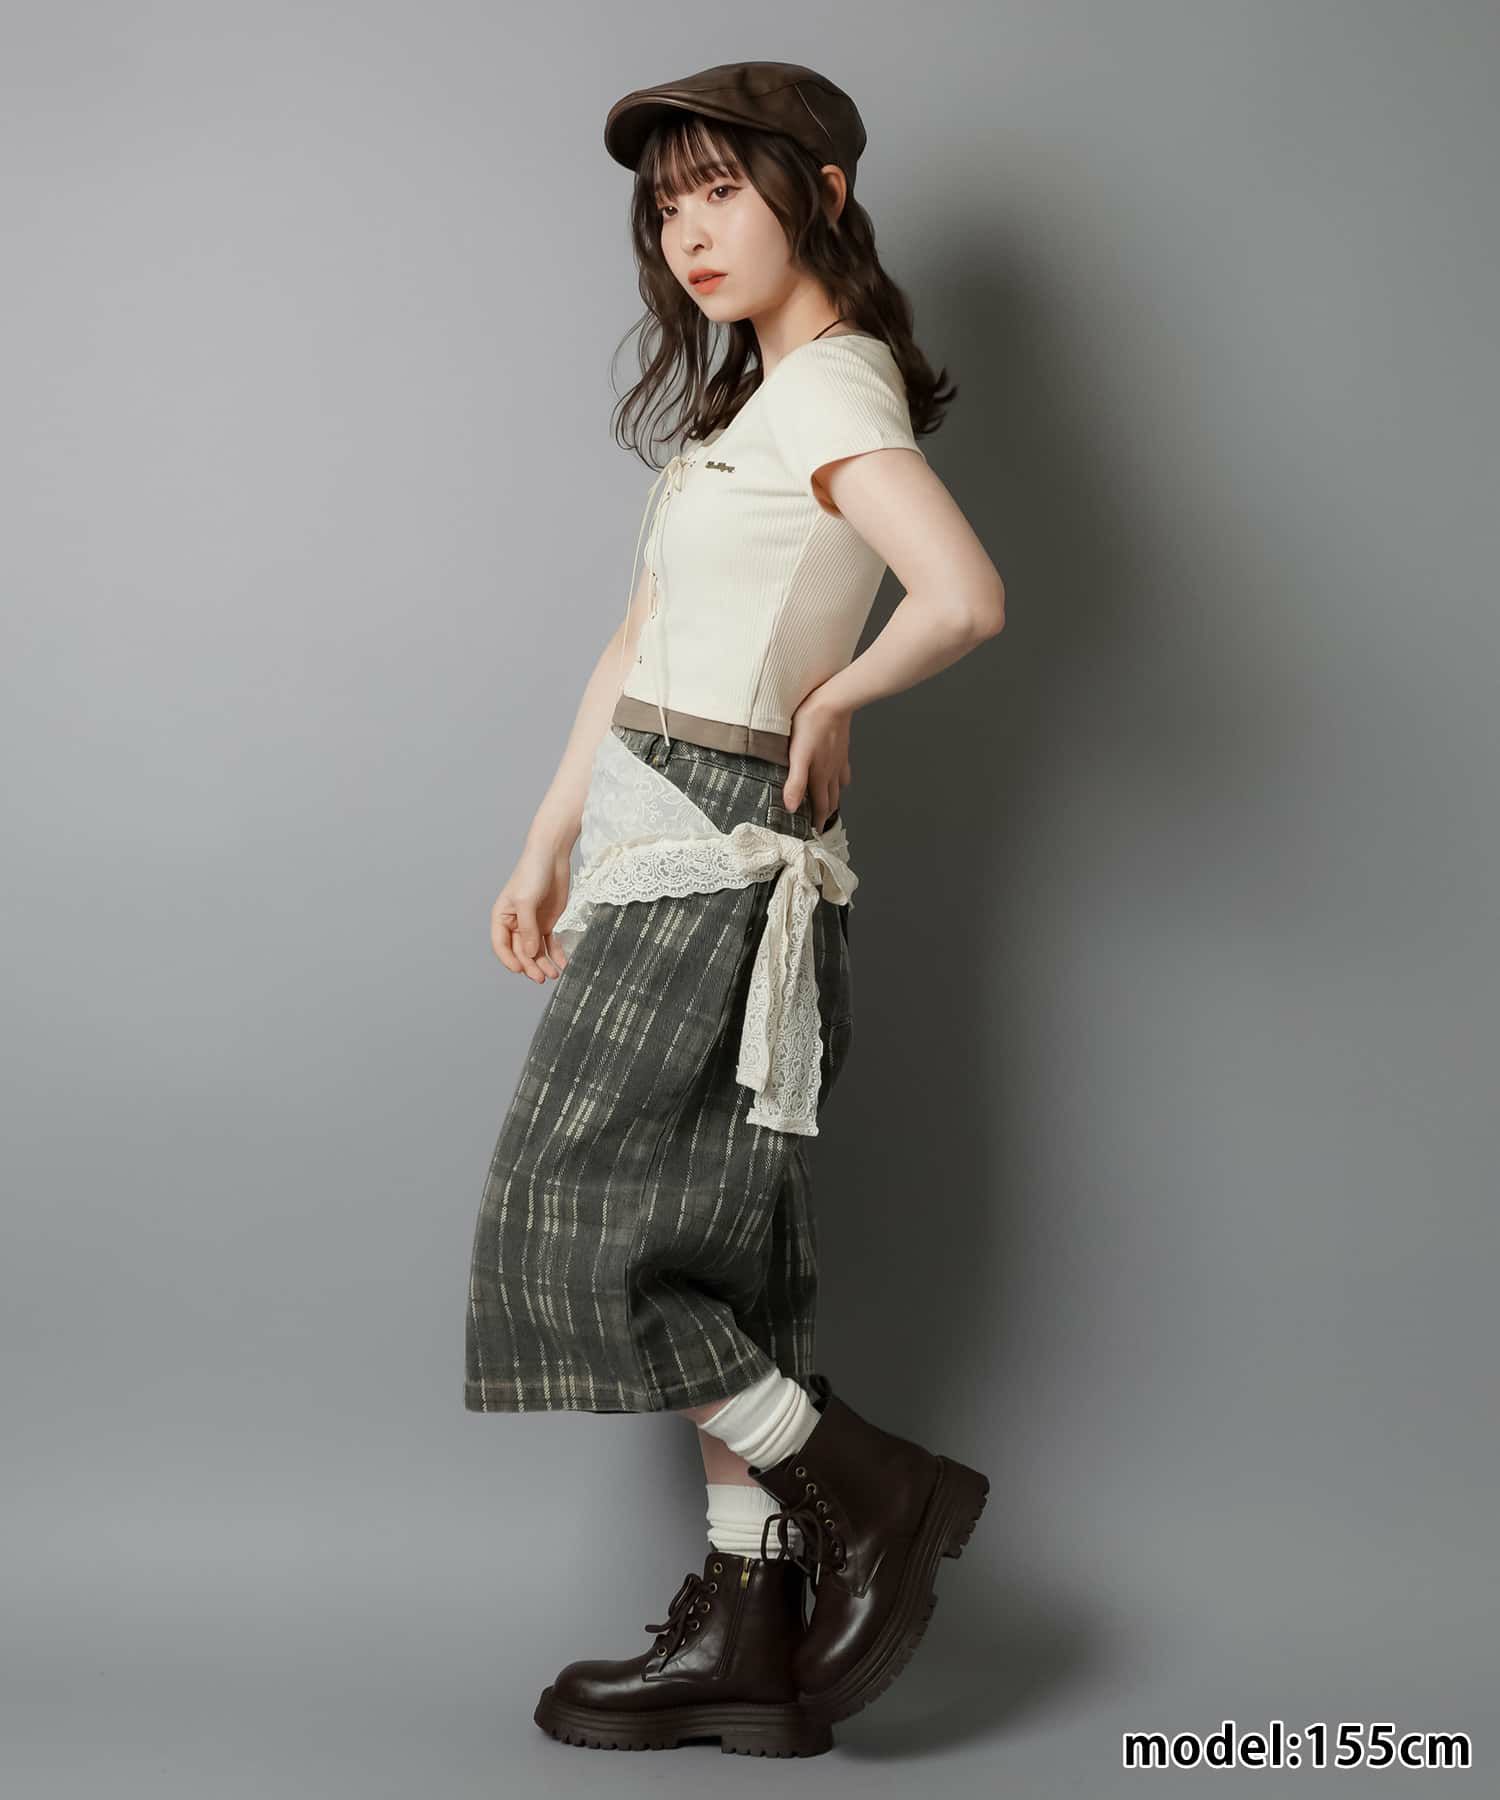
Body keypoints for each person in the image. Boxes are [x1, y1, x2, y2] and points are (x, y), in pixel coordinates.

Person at [464, 61, 1007, 1757]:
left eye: (721, 189)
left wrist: (836, 697)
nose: (687, 230)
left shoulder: (833, 386)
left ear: (822, 196)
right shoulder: (759, 402)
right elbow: (641, 642)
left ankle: (870, 1484)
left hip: (719, 841)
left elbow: (963, 596)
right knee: (711, 1245)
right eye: (666, 202)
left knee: (572, 1222)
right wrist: (549, 835)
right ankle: (747, 1633)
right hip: (659, 827)